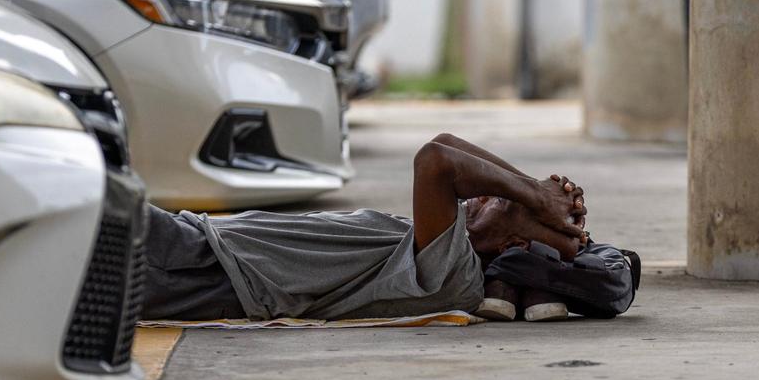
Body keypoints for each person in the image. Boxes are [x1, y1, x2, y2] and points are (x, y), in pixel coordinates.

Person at [141, 133, 588, 323]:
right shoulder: (441, 246)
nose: (481, 193)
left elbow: (437, 160)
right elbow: (448, 142)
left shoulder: (455, 272)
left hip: (193, 266)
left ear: (510, 242)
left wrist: (533, 197)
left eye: (497, 201)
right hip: (190, 246)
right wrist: (531, 188)